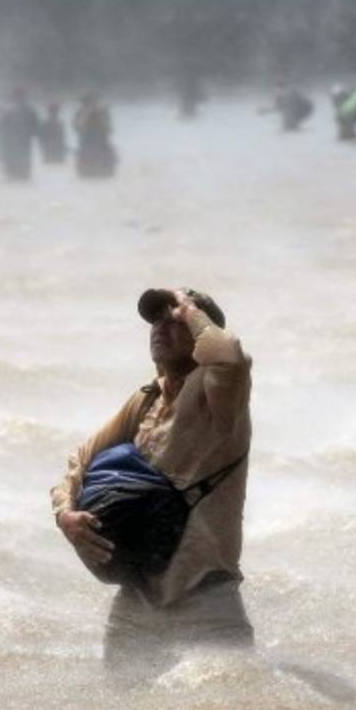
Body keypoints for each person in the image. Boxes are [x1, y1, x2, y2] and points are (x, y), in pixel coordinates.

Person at [51, 288, 253, 683]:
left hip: (207, 601)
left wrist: (188, 307)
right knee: (119, 709)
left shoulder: (221, 393)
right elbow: (80, 461)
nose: (161, 327)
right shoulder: (146, 400)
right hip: (137, 601)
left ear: (199, 330)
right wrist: (66, 515)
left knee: (231, 709)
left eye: (173, 320)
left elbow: (229, 354)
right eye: (156, 320)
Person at [0, 88, 39, 181]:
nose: (18, 99)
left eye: (19, 97)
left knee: (17, 172)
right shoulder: (25, 110)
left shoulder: (24, 110)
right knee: (17, 172)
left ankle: (17, 176)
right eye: (18, 97)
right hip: (17, 144)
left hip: (19, 144)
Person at [72, 92, 117, 178]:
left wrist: (102, 114)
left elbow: (109, 129)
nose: (93, 104)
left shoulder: (103, 113)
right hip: (86, 143)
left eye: (95, 102)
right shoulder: (80, 113)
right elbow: (77, 127)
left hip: (102, 144)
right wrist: (87, 112)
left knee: (110, 154)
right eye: (90, 102)